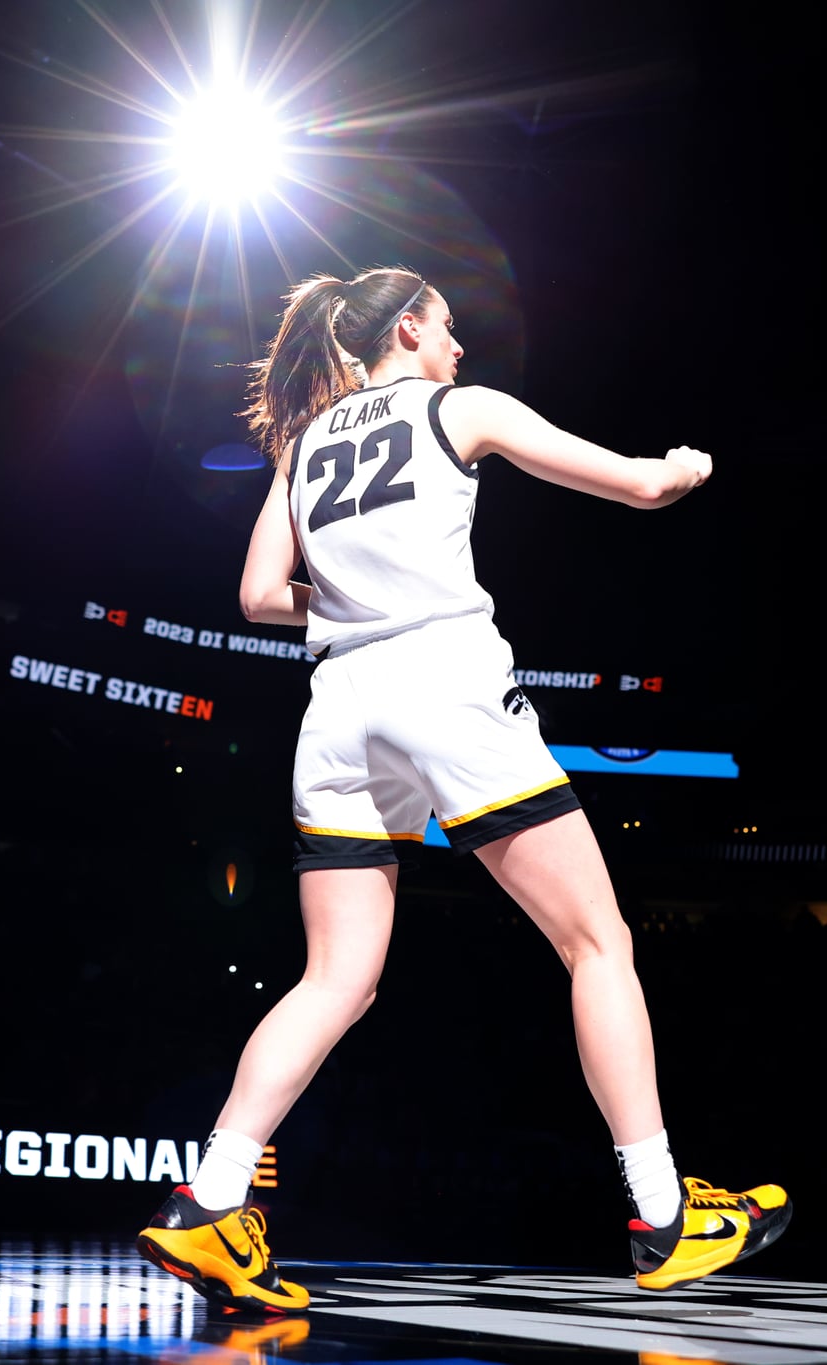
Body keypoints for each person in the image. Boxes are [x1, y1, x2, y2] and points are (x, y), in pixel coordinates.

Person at [134, 267, 789, 1311]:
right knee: (596, 944)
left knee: (333, 981)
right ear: (405, 327)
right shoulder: (456, 409)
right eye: (446, 330)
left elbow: (259, 595)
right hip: (443, 683)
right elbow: (634, 486)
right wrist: (682, 467)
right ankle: (664, 1217)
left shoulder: (302, 440)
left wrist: (354, 596)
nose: (458, 350)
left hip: (337, 708)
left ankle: (207, 1204)